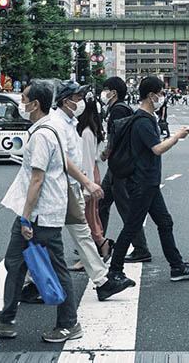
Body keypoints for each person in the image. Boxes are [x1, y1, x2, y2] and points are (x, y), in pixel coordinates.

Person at [0, 80, 81, 342]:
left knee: (56, 267)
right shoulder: (52, 126)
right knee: (15, 263)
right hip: (40, 211)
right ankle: (6, 318)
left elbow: (37, 179)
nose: (21, 104)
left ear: (35, 104)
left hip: (41, 214)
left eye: (24, 99)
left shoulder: (42, 134)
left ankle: (69, 323)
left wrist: (26, 217)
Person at [107, 76, 189, 286]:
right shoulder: (142, 120)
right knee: (132, 226)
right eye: (160, 93)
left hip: (148, 182)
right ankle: (114, 271)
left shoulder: (146, 118)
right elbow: (156, 149)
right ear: (151, 95)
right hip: (142, 183)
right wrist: (177, 137)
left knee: (165, 223)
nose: (162, 97)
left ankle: (177, 266)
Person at [49, 81, 134, 300]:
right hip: (59, 188)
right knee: (43, 238)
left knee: (81, 233)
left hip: (69, 187)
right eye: (78, 98)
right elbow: (63, 158)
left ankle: (102, 280)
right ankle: (28, 283)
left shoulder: (69, 122)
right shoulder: (57, 124)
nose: (82, 102)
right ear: (66, 101)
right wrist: (86, 183)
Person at [98, 77, 152, 263]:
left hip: (120, 168)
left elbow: (117, 136)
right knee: (101, 203)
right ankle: (99, 242)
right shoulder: (121, 108)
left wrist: (107, 152)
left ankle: (141, 248)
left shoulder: (119, 109)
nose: (103, 93)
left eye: (106, 90)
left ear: (113, 92)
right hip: (118, 165)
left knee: (126, 208)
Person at [77, 94, 114, 263]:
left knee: (85, 220)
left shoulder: (85, 132)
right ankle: (100, 245)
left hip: (88, 176)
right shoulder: (93, 129)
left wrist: (87, 187)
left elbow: (86, 160)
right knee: (91, 216)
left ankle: (98, 246)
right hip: (93, 174)